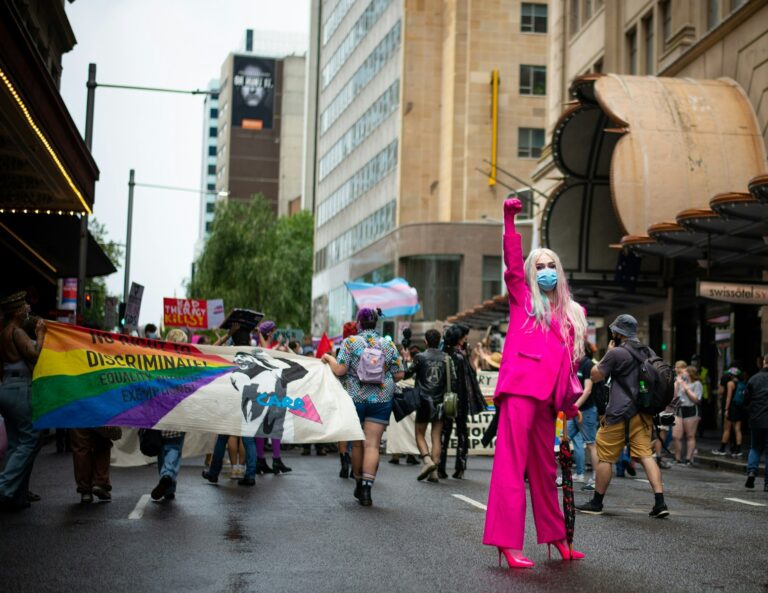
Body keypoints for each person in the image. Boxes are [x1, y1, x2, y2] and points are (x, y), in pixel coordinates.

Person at [482, 198, 588, 569]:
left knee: (545, 471)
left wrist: (568, 403)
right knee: (511, 467)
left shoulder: (572, 314)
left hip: (548, 401)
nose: (545, 271)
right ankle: (506, 543)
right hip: (519, 392)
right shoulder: (522, 297)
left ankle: (557, 538)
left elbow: (567, 365)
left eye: (550, 266)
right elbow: (512, 264)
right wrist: (510, 221)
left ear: (559, 272)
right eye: (539, 266)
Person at [576, 314, 670, 519]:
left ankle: (597, 502)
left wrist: (607, 354)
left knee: (604, 457)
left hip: (619, 412)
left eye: (613, 332)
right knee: (646, 455)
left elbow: (595, 375)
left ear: (618, 333)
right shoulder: (648, 351)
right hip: (643, 413)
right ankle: (660, 502)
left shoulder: (616, 352)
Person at [322, 308, 405, 507]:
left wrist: (328, 358)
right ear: (376, 323)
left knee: (357, 444)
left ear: (359, 323)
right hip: (382, 399)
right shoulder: (387, 343)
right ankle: (367, 489)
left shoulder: (350, 342)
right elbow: (400, 374)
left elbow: (340, 370)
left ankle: (358, 482)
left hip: (355, 400)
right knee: (373, 444)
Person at [0, 292, 46, 511]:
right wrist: (41, 333)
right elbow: (35, 353)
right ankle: (4, 488)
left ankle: (17, 495)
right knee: (30, 439)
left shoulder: (3, 332)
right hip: (20, 389)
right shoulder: (16, 332)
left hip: (6, 387)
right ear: (18, 311)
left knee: (17, 443)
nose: (28, 307)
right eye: (25, 305)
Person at [203, 322, 258, 486]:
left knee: (222, 438)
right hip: (248, 400)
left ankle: (213, 473)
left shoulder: (229, 354)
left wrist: (227, 335)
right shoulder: (255, 355)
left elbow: (210, 350)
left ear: (233, 339)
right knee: (248, 440)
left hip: (229, 401)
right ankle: (250, 475)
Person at [404, 329, 455, 483]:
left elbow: (407, 374)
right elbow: (453, 379)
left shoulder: (420, 357)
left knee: (419, 433)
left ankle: (427, 461)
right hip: (440, 403)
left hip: (423, 401)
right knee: (436, 436)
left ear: (425, 342)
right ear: (439, 341)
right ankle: (434, 472)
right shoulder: (447, 358)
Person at [439, 325, 485, 479]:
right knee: (462, 432)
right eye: (465, 338)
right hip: (461, 400)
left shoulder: (443, 354)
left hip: (445, 399)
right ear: (459, 340)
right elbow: (468, 380)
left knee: (444, 432)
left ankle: (440, 466)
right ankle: (460, 467)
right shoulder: (460, 358)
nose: (466, 341)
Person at [150, 329, 188, 502]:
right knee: (174, 448)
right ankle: (167, 477)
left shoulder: (158, 361)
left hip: (160, 412)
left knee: (162, 450)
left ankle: (168, 487)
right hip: (178, 412)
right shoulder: (186, 364)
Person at [253, 320, 290, 474]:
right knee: (265, 425)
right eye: (272, 331)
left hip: (276, 388)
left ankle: (272, 459)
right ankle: (265, 459)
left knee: (274, 424)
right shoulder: (260, 348)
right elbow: (265, 354)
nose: (274, 334)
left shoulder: (268, 347)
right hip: (268, 390)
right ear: (268, 333)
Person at [567, 341, 599, 486]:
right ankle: (578, 474)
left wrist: (575, 406)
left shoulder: (588, 365)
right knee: (566, 438)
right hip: (575, 410)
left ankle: (596, 478)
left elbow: (588, 390)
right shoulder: (575, 364)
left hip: (586, 410)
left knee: (591, 444)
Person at [744, 354, 768, 491]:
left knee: (755, 447)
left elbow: (746, 399)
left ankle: (752, 471)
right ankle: (767, 482)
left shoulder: (754, 378)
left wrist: (751, 411)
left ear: (764, 362)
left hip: (757, 418)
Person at [672, 364, 702, 465]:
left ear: (690, 373)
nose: (682, 373)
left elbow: (696, 399)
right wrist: (677, 384)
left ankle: (689, 458)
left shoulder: (697, 384)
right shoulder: (681, 382)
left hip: (691, 409)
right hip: (680, 409)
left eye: (685, 372)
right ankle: (677, 458)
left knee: (690, 435)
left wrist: (686, 388)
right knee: (676, 435)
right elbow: (675, 396)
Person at [712, 367, 745, 457]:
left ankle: (722, 449)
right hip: (739, 407)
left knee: (727, 429)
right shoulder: (741, 383)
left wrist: (726, 409)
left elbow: (728, 397)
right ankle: (738, 450)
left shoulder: (730, 383)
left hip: (731, 408)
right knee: (737, 429)